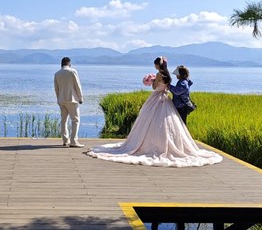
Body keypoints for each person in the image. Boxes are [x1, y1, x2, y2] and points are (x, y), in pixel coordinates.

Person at [85, 56, 222, 167]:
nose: (155, 66)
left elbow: (155, 87)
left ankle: (150, 145)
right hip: (165, 99)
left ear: (157, 65)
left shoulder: (159, 75)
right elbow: (167, 87)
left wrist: (151, 81)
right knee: (167, 124)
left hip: (157, 98)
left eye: (155, 64)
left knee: (149, 121)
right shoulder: (168, 76)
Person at [54, 57, 84, 147]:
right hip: (72, 100)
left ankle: (65, 140)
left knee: (63, 120)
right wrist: (81, 98)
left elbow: (56, 88)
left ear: (61, 64)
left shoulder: (57, 74)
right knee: (75, 120)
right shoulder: (72, 71)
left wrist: (58, 99)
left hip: (61, 100)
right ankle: (74, 141)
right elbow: (78, 85)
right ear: (69, 64)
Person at [162, 59, 194, 125]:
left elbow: (177, 91)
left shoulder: (183, 83)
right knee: (180, 123)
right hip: (181, 106)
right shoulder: (184, 81)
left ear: (180, 75)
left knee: (181, 124)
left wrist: (168, 85)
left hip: (181, 107)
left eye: (177, 74)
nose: (176, 76)